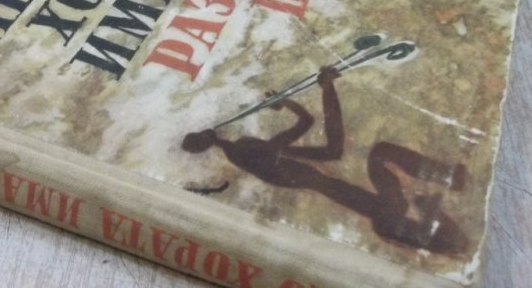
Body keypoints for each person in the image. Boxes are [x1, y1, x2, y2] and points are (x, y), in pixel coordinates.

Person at [182, 67, 468, 254]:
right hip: (382, 211)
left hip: (380, 209)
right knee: (381, 156)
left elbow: (311, 127)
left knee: (381, 156)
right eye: (200, 137)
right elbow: (317, 133)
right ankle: (446, 194)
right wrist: (323, 88)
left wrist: (289, 101)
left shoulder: (267, 153)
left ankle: (447, 182)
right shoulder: (255, 153)